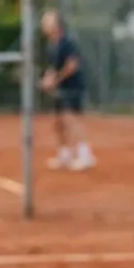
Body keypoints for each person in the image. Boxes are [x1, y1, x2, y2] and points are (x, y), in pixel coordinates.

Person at [39, 9, 96, 171]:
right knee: (59, 123)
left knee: (73, 120)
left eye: (47, 22)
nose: (44, 25)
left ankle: (86, 156)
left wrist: (56, 80)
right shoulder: (52, 45)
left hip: (73, 87)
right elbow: (53, 68)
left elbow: (73, 65)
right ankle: (65, 155)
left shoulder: (68, 42)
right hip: (61, 89)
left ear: (56, 25)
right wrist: (48, 79)